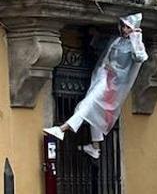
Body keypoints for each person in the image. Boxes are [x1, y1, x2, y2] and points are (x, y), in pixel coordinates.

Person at [43, 14, 148, 160]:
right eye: (123, 26)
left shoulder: (134, 44)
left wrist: (136, 39)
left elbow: (140, 58)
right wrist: (95, 35)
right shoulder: (117, 40)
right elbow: (104, 48)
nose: (124, 29)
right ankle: (95, 147)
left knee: (88, 104)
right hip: (102, 77)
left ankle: (62, 129)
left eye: (128, 27)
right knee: (95, 111)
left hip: (112, 84)